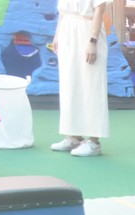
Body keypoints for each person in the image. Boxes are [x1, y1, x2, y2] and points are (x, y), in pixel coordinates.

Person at [50, 0, 110, 157]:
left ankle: (94, 142)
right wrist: (57, 36)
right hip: (67, 33)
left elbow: (99, 10)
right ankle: (74, 137)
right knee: (69, 85)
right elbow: (62, 13)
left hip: (87, 32)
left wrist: (93, 41)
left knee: (91, 85)